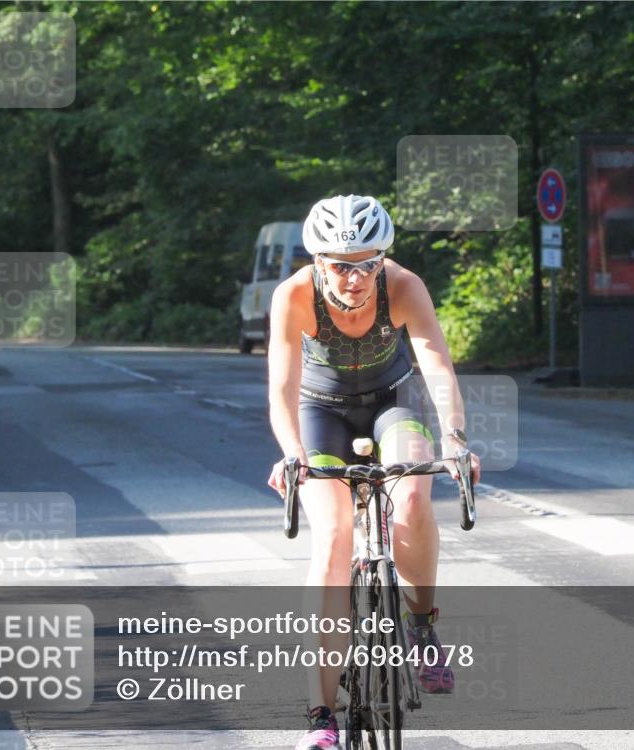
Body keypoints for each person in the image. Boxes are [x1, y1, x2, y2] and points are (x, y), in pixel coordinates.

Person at [267, 194, 481, 750]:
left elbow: (437, 366)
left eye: (366, 263)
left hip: (395, 400)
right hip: (321, 412)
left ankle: (421, 626)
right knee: (335, 537)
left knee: (411, 500)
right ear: (316, 261)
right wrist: (292, 453)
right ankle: (320, 716)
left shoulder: (404, 286)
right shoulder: (293, 296)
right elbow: (282, 392)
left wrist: (457, 441)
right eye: (340, 265)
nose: (355, 277)